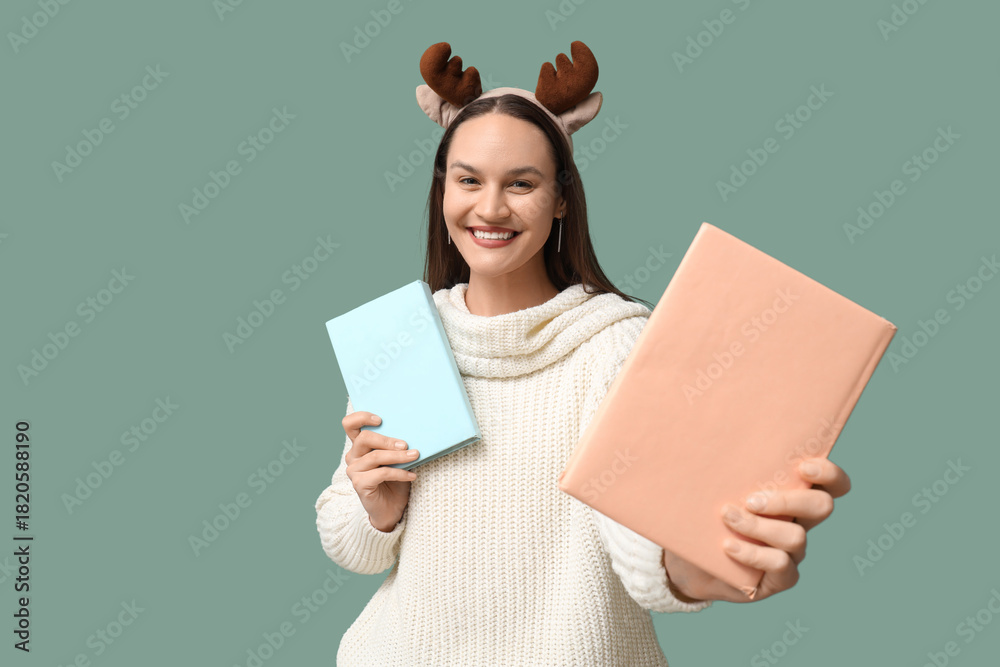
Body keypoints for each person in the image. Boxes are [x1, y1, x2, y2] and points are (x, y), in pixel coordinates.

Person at [314, 41, 850, 666]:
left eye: (522, 183)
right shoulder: (404, 338)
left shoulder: (615, 346)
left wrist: (709, 566)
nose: (489, 208)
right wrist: (376, 509)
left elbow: (641, 546)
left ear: (562, 197)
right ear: (442, 193)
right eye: (468, 180)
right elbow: (350, 547)